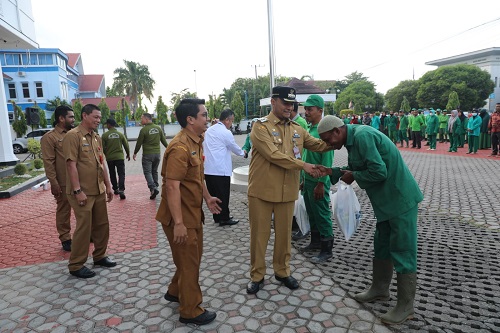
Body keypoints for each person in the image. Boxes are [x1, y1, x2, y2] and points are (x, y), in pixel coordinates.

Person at [315, 115, 423, 325]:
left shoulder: (363, 136)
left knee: (402, 249)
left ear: (338, 130)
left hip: (400, 200)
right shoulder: (353, 139)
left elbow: (378, 171)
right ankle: (380, 289)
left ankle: (406, 306)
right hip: (385, 204)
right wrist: (333, 171)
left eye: (329, 139)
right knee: (382, 244)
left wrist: (354, 175)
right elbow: (361, 165)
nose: (329, 145)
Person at [246, 86, 331, 295]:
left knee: (284, 236)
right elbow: (273, 154)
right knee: (260, 236)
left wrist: (343, 136)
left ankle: (282, 272)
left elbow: (319, 145)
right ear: (273, 101)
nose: (289, 107)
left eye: (292, 104)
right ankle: (257, 275)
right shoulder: (260, 127)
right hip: (262, 192)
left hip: (286, 192)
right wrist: (303, 166)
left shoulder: (297, 129)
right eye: (285, 103)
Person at [155, 98, 220, 326]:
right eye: (203, 115)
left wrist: (208, 197)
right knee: (190, 263)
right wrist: (179, 223)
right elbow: (172, 186)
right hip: (179, 217)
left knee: (188, 260)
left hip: (191, 213)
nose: (207, 118)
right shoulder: (180, 147)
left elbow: (196, 177)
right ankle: (190, 310)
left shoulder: (196, 141)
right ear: (190, 120)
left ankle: (175, 291)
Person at [63, 104, 116, 279]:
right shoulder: (73, 136)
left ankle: (99, 256)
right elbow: (71, 165)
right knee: (84, 228)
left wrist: (108, 186)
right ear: (84, 116)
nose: (98, 120)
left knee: (102, 225)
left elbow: (102, 164)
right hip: (82, 192)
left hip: (98, 189)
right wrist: (78, 191)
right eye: (95, 117)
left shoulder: (96, 137)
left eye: (100, 118)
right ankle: (76, 264)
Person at [300, 94, 334, 263]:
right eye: (305, 108)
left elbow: (327, 159)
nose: (306, 112)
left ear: (320, 110)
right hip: (307, 180)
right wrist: (302, 178)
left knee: (322, 214)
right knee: (311, 213)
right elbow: (306, 155)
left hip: (319, 181)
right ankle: (315, 242)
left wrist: (321, 183)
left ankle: (327, 249)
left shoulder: (324, 131)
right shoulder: (309, 128)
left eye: (310, 109)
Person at [40, 105, 75, 252]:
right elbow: (49, 162)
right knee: (64, 211)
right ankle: (65, 238)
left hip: (79, 180)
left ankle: (85, 233)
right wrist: (54, 183)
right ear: (61, 118)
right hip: (63, 182)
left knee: (83, 209)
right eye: (70, 117)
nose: (73, 119)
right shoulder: (50, 138)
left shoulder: (74, 134)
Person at [203, 109, 244, 226]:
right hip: (221, 170)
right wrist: (244, 153)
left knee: (213, 194)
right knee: (223, 195)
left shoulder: (208, 131)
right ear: (227, 120)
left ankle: (216, 216)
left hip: (208, 169)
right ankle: (224, 218)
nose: (231, 123)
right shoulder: (226, 132)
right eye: (231, 121)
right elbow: (234, 147)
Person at [133, 113, 168, 199]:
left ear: (147, 119)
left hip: (147, 155)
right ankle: (155, 186)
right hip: (157, 154)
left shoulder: (144, 130)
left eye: (142, 119)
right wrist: (169, 149)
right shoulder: (158, 128)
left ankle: (153, 188)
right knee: (154, 171)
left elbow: (139, 143)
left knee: (147, 172)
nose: (141, 120)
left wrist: (135, 153)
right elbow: (163, 141)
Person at [101, 118, 130, 200]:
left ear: (109, 125)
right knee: (121, 174)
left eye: (107, 124)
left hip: (110, 158)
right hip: (119, 157)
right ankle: (121, 189)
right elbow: (126, 145)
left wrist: (106, 154)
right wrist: (128, 154)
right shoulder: (120, 134)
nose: (107, 125)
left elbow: (102, 147)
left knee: (112, 173)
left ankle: (115, 189)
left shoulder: (105, 135)